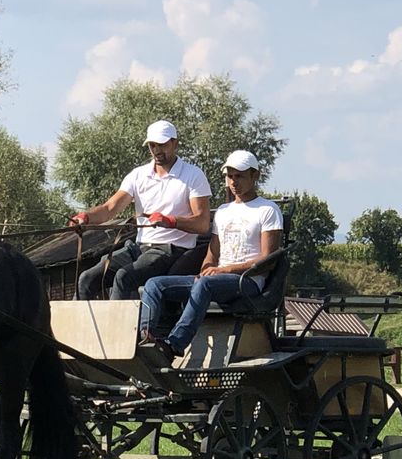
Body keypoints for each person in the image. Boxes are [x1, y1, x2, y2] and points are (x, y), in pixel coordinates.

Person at [138, 149, 283, 362]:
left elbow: (267, 261)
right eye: (229, 176)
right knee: (154, 285)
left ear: (255, 176)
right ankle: (146, 338)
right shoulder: (223, 211)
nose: (233, 182)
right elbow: (212, 253)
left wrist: (221, 271)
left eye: (239, 176)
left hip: (248, 282)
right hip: (216, 280)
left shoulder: (268, 210)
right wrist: (206, 269)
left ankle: (174, 344)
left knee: (204, 285)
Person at [69, 120, 212, 300]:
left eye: (162, 144)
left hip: (171, 250)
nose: (157, 150)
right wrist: (86, 217)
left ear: (175, 143)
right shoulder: (138, 175)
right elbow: (109, 208)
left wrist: (170, 221)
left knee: (123, 277)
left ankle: (116, 328)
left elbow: (202, 224)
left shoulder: (193, 175)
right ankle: (73, 329)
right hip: (138, 248)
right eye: (152, 145)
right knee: (86, 279)